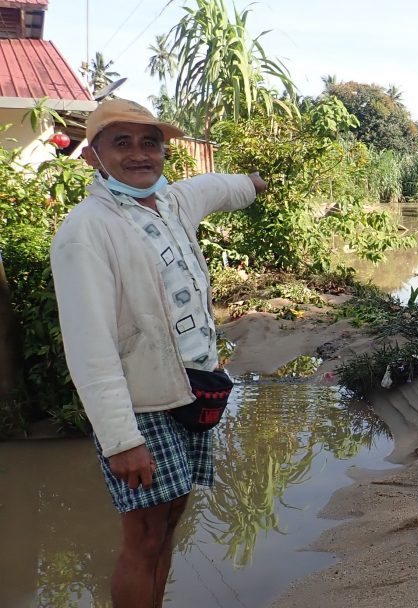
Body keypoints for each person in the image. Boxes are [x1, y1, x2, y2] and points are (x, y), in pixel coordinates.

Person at [50, 99, 267, 608]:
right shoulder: (87, 230)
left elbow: (217, 187)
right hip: (138, 405)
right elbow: (89, 344)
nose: (139, 154)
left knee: (169, 526)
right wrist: (121, 439)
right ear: (92, 157)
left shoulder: (171, 204)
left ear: (164, 151)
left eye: (150, 142)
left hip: (190, 390)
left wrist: (253, 183)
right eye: (120, 142)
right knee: (143, 540)